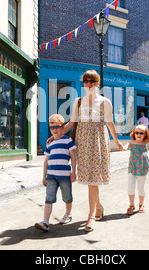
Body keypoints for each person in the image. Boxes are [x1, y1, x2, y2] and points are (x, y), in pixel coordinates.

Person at [47, 70, 124, 232]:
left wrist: (117, 141)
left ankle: (91, 217)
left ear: (97, 83)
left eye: (92, 81)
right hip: (82, 142)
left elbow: (110, 124)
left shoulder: (105, 102)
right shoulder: (78, 101)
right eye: (86, 81)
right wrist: (56, 135)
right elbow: (71, 123)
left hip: (97, 142)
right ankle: (98, 206)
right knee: (89, 179)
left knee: (93, 181)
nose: (88, 84)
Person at [35, 114, 76, 232]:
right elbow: (46, 161)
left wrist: (74, 172)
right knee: (49, 198)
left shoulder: (68, 140)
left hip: (64, 176)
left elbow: (73, 157)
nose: (54, 130)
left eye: (57, 127)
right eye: (51, 128)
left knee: (67, 196)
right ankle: (45, 222)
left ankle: (68, 213)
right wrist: (44, 176)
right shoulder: (49, 143)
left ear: (63, 127)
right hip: (51, 176)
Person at [122, 125, 149, 215]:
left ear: (145, 134)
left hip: (142, 169)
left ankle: (141, 205)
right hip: (132, 169)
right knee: (130, 187)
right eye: (137, 132)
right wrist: (123, 147)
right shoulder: (131, 143)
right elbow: (125, 147)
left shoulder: (146, 144)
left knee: (141, 188)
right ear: (134, 133)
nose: (139, 134)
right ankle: (131, 205)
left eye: (142, 133)